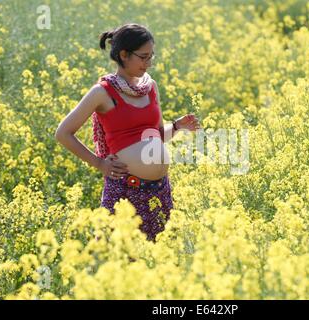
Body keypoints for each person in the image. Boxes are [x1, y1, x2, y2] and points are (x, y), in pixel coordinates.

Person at [55, 23, 201, 242]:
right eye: (143, 57)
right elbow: (63, 133)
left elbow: (156, 135)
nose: (149, 63)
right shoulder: (103, 92)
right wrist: (100, 164)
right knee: (117, 258)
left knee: (159, 259)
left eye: (151, 56)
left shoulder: (150, 87)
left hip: (159, 190)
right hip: (125, 191)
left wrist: (178, 126)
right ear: (124, 55)